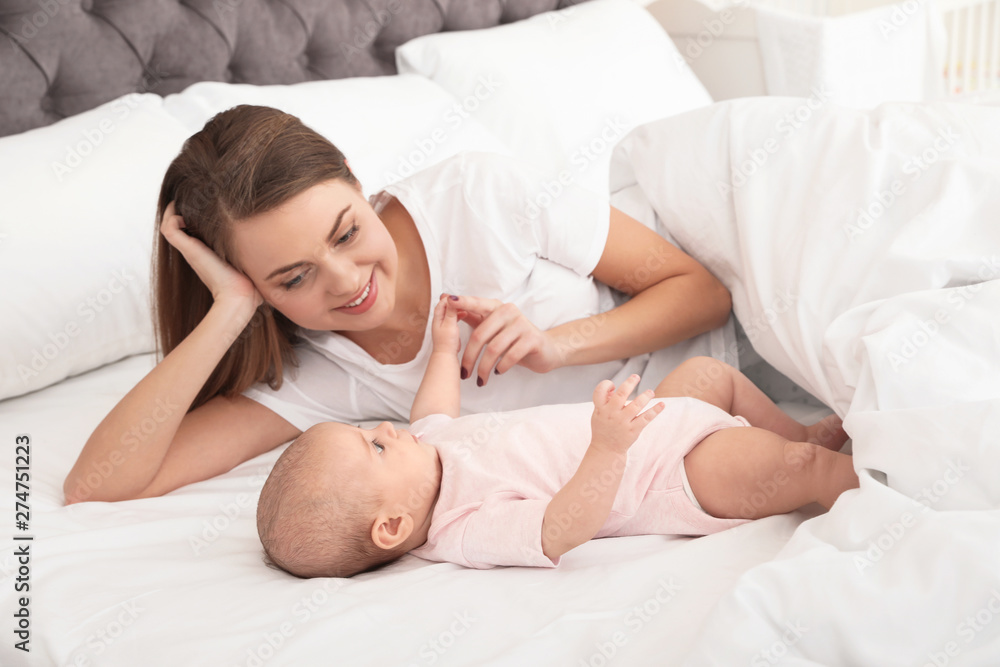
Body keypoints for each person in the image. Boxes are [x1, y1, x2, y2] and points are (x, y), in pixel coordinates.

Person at [63, 104, 733, 504]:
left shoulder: (476, 194)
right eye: (293, 278)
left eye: (346, 232)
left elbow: (701, 292)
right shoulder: (316, 374)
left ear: (357, 181)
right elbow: (97, 484)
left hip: (722, 374)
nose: (346, 282)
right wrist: (230, 310)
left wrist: (558, 345)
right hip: (663, 459)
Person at [256, 297, 858, 577]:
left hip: (652, 419)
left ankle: (805, 431)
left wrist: (442, 349)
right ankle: (878, 494)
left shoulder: (433, 446)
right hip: (671, 472)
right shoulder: (462, 528)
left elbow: (433, 408)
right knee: (798, 467)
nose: (386, 430)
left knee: (712, 375)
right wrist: (609, 448)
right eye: (375, 447)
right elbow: (561, 528)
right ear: (391, 526)